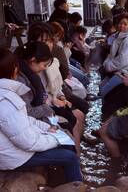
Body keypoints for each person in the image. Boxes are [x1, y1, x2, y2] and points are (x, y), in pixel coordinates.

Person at [0, 48, 82, 182]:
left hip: (13, 147)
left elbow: (25, 120)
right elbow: (27, 142)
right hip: (12, 156)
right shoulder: (5, 100)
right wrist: (55, 139)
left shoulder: (6, 94)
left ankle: (63, 182)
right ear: (12, 70)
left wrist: (45, 128)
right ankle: (74, 185)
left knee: (67, 142)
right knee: (70, 157)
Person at [99, 13, 128, 98]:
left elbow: (123, 60)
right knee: (101, 87)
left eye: (125, 24)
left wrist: (108, 66)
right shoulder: (121, 34)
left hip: (125, 72)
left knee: (104, 92)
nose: (122, 26)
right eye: (120, 23)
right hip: (117, 69)